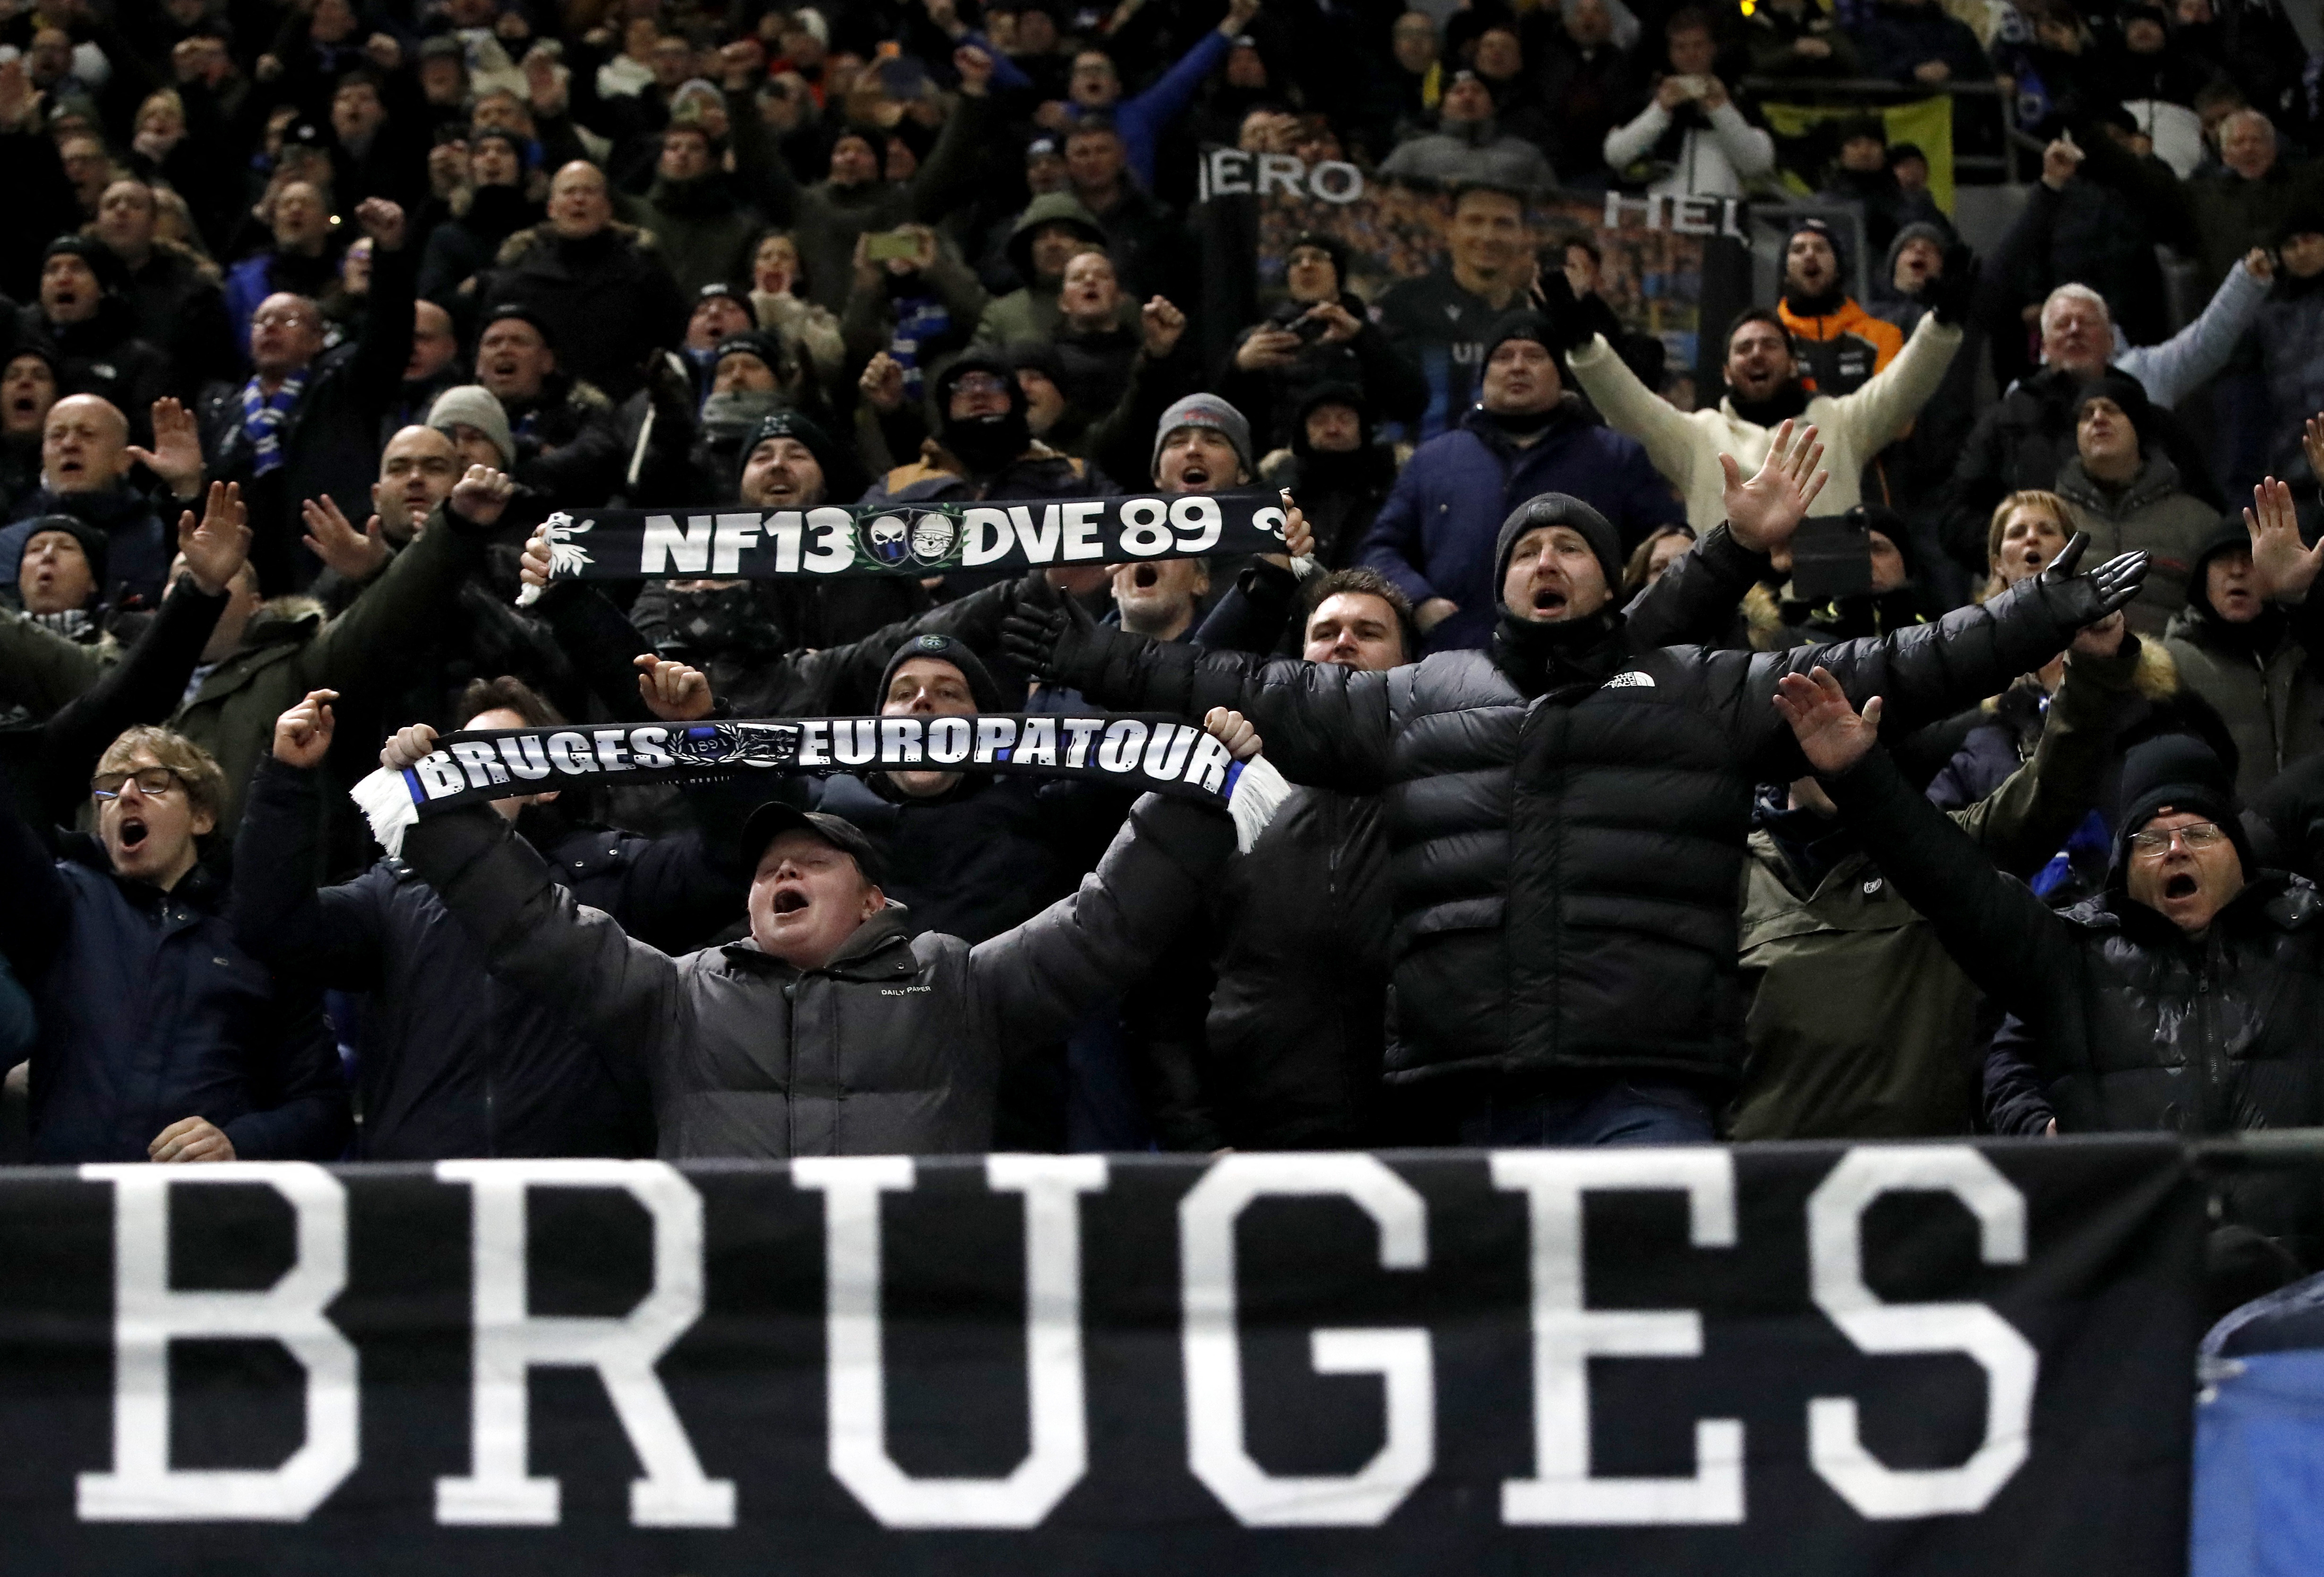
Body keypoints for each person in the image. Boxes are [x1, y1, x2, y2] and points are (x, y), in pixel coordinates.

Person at [1006, 422, 2148, 1145]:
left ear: (1609, 585)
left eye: (1568, 548)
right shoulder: (1417, 696)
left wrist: (2040, 609)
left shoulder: (1697, 689)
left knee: (1652, 1351)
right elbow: (1213, 672)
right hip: (1459, 1088)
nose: (1543, 560)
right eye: (1521, 551)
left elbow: (1897, 662)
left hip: (1642, 1087)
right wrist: (1076, 649)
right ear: (1496, 589)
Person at [373, 706, 1268, 1157]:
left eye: (810, 861)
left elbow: (1101, 929)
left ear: (874, 900)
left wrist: (1191, 799)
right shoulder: (677, 993)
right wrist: (445, 814)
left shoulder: (956, 981)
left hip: (911, 1307)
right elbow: (536, 926)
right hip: (733, 1316)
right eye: (766, 869)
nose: (780, 874)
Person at [1772, 660, 2324, 1267]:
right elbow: (1948, 877)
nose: (2173, 850)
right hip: (2130, 1286)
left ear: (2240, 854)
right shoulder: (2070, 955)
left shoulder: (2307, 931)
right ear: (2122, 865)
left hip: (2303, 1285)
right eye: (2147, 838)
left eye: (2197, 832)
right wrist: (1859, 775)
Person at [232, 670, 752, 1160]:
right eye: (458, 754)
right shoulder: (394, 891)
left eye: (490, 755)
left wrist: (700, 735)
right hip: (422, 1206)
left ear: (548, 782)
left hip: (585, 1208)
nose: (468, 768)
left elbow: (737, 859)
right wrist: (286, 779)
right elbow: (273, 927)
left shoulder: (619, 875)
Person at [1731, 609, 2136, 1139]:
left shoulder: (1937, 854)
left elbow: (2047, 798)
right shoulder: (1727, 871)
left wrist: (2093, 667)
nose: (1837, 733)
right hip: (1767, 1191)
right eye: (1815, 714)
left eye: (1857, 717)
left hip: (1923, 1189)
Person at [0, 720, 349, 1163]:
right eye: (108, 790)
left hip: (198, 1217)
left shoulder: (257, 932)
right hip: (71, 1214)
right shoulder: (62, 904)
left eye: (154, 783)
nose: (126, 795)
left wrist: (238, 1144)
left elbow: (324, 1109)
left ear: (201, 817)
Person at [1360, 314, 1684, 653]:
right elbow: (1380, 551)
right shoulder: (1432, 461)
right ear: (1483, 376)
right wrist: (1421, 603)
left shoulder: (1615, 457)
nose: (1517, 367)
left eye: (1534, 356)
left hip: (1585, 666)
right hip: (1455, 662)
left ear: (1562, 375)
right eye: (1503, 357)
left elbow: (1665, 545)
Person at [1564, 291, 1968, 530]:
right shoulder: (1696, 434)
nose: (1756, 353)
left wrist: (1939, 327)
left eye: (1770, 345)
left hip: (1829, 623)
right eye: (1743, 348)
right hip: (1728, 626)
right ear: (1725, 372)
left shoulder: (1840, 423)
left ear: (1794, 363)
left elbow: (1904, 387)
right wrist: (1587, 351)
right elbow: (1629, 408)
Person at [197, 197, 418, 594]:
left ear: (319, 339)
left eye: (287, 320)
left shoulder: (343, 388)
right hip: (247, 580)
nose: (270, 328)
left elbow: (389, 335)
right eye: (261, 321)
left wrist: (389, 255)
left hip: (332, 572)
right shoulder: (224, 410)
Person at [473, 161, 688, 403]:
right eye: (569, 192)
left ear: (608, 208)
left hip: (626, 410)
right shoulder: (518, 279)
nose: (579, 200)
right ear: (552, 208)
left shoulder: (644, 274)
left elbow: (675, 341)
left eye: (589, 192)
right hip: (544, 410)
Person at [2161, 487, 2324, 798]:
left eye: (2249, 559)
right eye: (2222, 561)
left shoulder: (2306, 648)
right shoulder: (2172, 662)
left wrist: (2299, 598)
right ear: (2201, 579)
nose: (2236, 571)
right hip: (2221, 837)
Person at [1218, 231, 1426, 453]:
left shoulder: (1379, 336)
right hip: (1284, 476)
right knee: (1283, 490)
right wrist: (1238, 368)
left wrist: (1364, 340)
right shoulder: (1258, 340)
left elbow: (1411, 405)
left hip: (1360, 471)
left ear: (1338, 271)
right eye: (1295, 260)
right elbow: (1223, 422)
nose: (1306, 265)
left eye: (1318, 257)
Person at [2052, 374, 2217, 635]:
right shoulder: (2048, 517)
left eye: (2112, 409)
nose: (2097, 418)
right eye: (2086, 415)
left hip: (2172, 665)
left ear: (2138, 428)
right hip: (2076, 667)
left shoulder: (2197, 520)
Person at [0, 394, 191, 608]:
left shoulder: (161, 535)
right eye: (57, 436)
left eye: (87, 435)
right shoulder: (7, 544)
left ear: (124, 460)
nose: (69, 445)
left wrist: (186, 486)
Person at [1377, 184, 1535, 438]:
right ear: (1450, 229)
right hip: (1422, 465)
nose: (1488, 236)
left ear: (1525, 235)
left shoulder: (1535, 316)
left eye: (1503, 224)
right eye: (1475, 221)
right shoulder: (1406, 303)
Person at [1602, 8, 1775, 200]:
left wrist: (1721, 110)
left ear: (1713, 48)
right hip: (1664, 218)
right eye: (1681, 48)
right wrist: (1661, 111)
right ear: (1670, 53)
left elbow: (1757, 165)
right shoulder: (1650, 99)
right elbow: (1615, 155)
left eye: (1698, 46)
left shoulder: (1736, 98)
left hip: (1720, 216)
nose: (1691, 55)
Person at [18, 237, 173, 446]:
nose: (63, 278)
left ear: (102, 287)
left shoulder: (139, 361)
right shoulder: (20, 351)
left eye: (78, 269)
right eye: (52, 270)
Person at [1775, 218, 1907, 400]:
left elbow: (1894, 412)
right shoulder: (1769, 339)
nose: (1809, 255)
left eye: (1821, 248)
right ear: (1786, 274)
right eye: (1798, 250)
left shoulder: (1883, 337)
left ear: (1838, 269)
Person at [1377, 69, 1557, 190]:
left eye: (1477, 91)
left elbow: (1555, 210)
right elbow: (1378, 196)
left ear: (1492, 107)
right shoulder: (1411, 152)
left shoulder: (1527, 155)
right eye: (1458, 92)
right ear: (1442, 108)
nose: (1468, 96)